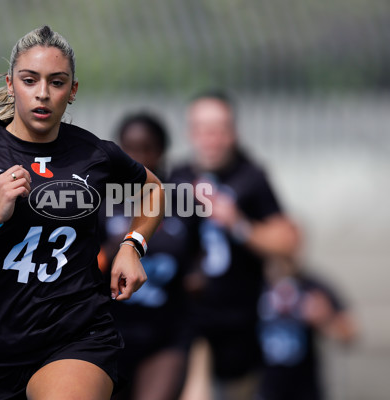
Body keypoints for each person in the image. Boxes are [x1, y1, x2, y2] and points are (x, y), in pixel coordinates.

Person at [0, 26, 164, 400]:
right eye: (30, 80)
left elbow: (153, 189)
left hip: (76, 335)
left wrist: (132, 245)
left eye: (56, 82)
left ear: (72, 91)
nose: (43, 93)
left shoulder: (95, 154)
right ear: (11, 84)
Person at [172, 91, 300, 400]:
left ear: (232, 133)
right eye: (202, 129)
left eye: (217, 130)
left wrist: (237, 223)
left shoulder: (252, 177)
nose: (209, 139)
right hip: (190, 319)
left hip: (240, 319)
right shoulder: (177, 177)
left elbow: (288, 241)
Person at [98, 113, 197, 400]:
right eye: (130, 148)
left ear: (162, 151)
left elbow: (200, 251)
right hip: (110, 332)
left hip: (165, 333)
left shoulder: (181, 200)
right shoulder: (102, 200)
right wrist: (120, 244)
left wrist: (197, 276)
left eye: (147, 148)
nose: (138, 157)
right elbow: (86, 265)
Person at [257, 255, 357, 400]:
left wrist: (325, 319)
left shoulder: (312, 286)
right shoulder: (253, 282)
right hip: (263, 386)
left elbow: (350, 334)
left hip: (306, 388)